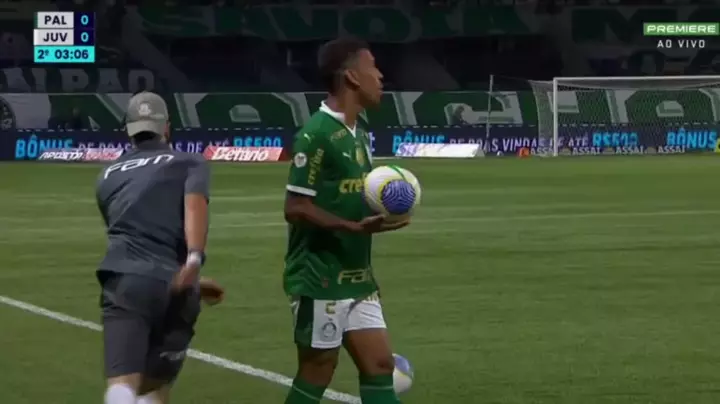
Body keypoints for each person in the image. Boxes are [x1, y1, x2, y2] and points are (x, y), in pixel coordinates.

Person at [283, 37, 409, 404]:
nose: (380, 75)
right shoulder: (316, 134)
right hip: (320, 277)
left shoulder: (361, 132)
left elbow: (351, 195)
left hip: (358, 275)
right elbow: (295, 207)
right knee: (318, 369)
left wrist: (381, 215)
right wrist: (350, 227)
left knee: (380, 365)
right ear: (352, 76)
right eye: (373, 66)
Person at [95, 91, 224, 404]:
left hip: (124, 280)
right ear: (166, 127)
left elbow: (131, 234)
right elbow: (194, 206)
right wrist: (194, 261)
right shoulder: (188, 162)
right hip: (176, 287)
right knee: (155, 389)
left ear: (129, 130)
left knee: (122, 384)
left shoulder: (106, 176)